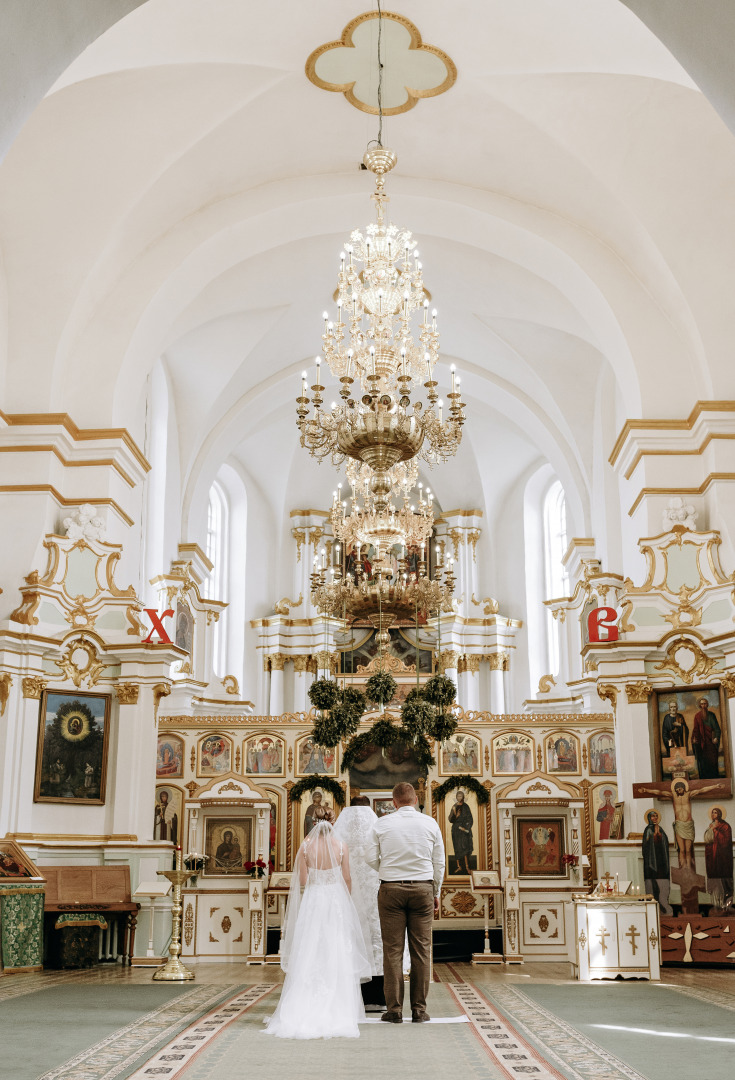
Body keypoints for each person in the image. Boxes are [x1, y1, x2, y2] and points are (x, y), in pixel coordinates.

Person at [264, 811, 372, 1039]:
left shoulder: (306, 846)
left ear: (313, 824)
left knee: (311, 949)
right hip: (335, 900)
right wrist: (344, 900)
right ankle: (339, 1008)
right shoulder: (341, 845)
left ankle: (303, 1005)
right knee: (336, 949)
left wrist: (316, 877)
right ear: (332, 823)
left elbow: (303, 881)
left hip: (314, 900)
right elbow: (348, 878)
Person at [365, 782, 445, 1024]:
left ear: (394, 802)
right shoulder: (430, 823)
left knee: (392, 951)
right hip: (423, 888)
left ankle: (394, 1010)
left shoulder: (382, 823)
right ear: (416, 799)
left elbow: (369, 857)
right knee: (421, 950)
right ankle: (419, 1011)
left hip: (390, 889)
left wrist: (388, 871)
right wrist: (436, 891)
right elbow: (438, 862)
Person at [333, 796, 385, 1011]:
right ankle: (379, 998)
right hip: (374, 894)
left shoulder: (338, 830)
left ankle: (350, 999)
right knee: (376, 938)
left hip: (346, 895)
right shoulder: (377, 826)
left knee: (349, 937)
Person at [641, 809, 672, 914]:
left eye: (656, 816)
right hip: (652, 861)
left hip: (661, 860)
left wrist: (660, 835)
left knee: (662, 886)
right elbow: (646, 845)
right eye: (652, 816)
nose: (654, 818)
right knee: (653, 885)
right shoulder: (648, 829)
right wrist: (655, 836)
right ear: (649, 818)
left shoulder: (660, 828)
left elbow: (665, 842)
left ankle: (663, 904)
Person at [704, 806, 733, 911]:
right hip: (713, 859)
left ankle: (727, 906)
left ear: (720, 814)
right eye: (712, 813)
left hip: (723, 860)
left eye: (715, 812)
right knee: (715, 883)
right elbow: (707, 840)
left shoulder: (726, 826)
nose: (713, 814)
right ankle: (716, 906)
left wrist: (715, 830)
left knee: (725, 883)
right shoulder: (711, 826)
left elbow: (725, 842)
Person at [692, 697, 721, 778]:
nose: (703, 705)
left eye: (705, 703)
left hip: (711, 743)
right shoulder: (697, 716)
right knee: (703, 762)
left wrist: (716, 737)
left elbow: (717, 729)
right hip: (702, 744)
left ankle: (714, 778)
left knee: (712, 761)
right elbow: (696, 730)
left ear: (707, 705)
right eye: (702, 704)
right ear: (699, 705)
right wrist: (694, 739)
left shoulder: (712, 715)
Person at [448, 789, 474, 875]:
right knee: (457, 848)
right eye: (458, 796)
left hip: (464, 830)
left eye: (460, 796)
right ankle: (459, 866)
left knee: (465, 848)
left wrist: (466, 827)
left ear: (463, 797)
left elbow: (470, 818)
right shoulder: (454, 806)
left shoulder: (466, 806)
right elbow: (450, 819)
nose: (459, 797)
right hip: (456, 830)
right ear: (456, 797)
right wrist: (456, 815)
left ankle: (467, 867)